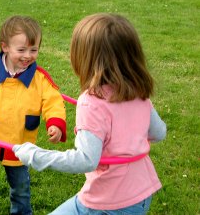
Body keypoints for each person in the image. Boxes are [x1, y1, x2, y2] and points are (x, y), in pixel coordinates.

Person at [13, 13, 167, 215]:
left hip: (108, 203)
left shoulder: (91, 103)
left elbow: (86, 160)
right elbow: (159, 133)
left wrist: (35, 155)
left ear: (84, 57)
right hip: (141, 195)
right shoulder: (138, 93)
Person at [0, 15, 67, 215]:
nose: (28, 55)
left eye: (33, 50)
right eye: (21, 50)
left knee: (21, 189)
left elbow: (53, 101)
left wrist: (55, 123)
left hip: (20, 146)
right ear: (5, 47)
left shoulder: (40, 79)